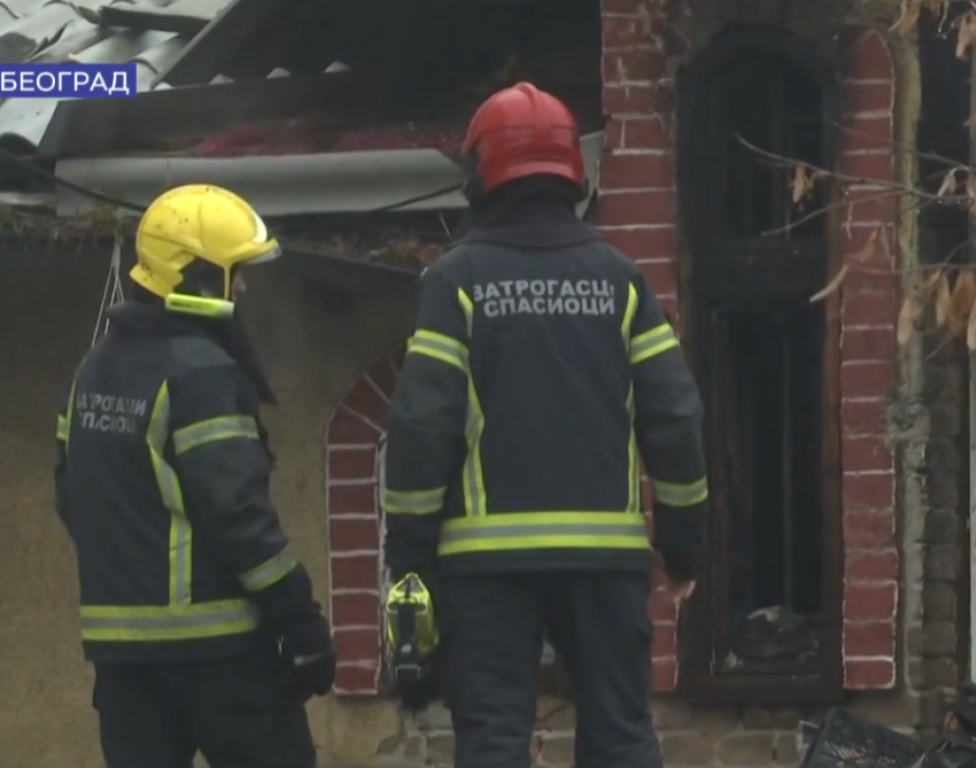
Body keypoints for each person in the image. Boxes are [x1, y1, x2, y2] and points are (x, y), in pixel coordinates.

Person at [382, 81, 708, 768]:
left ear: (480, 174)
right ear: (572, 171)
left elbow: (421, 426)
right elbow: (675, 419)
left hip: (483, 569)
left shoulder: (456, 282)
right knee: (620, 736)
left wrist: (409, 558)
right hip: (604, 563)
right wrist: (681, 549)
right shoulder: (621, 281)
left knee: (495, 739)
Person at [53, 185, 335, 768]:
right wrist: (302, 624)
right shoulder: (200, 372)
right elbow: (237, 516)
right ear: (197, 274)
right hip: (221, 657)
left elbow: (71, 496)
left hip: (123, 663)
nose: (246, 287)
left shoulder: (93, 368)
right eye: (238, 272)